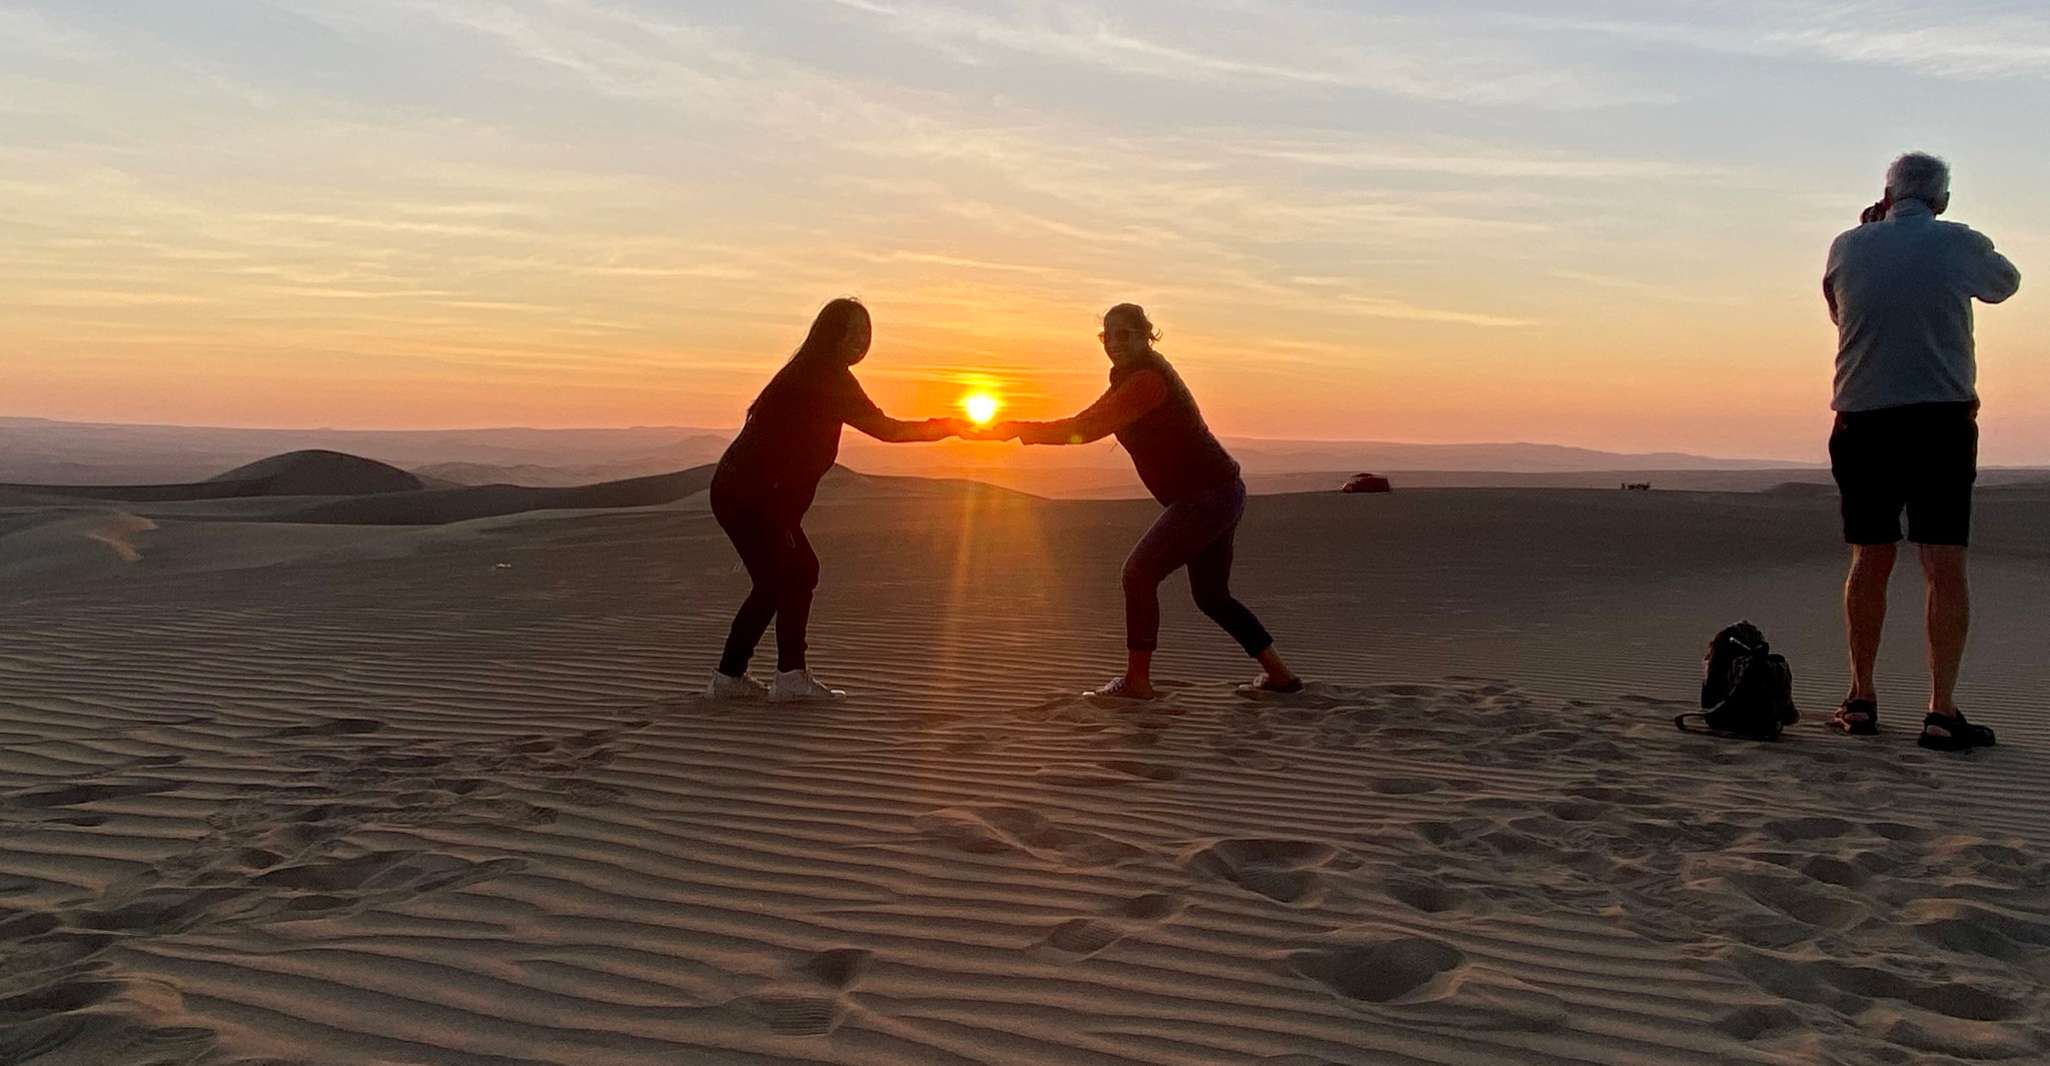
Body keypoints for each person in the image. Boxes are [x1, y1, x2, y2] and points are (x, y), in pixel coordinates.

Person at [980, 303, 1302, 700]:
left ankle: (1137, 682)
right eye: (1108, 336)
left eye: (1125, 334)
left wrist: (1018, 430)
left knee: (1139, 574)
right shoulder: (1132, 377)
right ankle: (1280, 676)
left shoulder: (1146, 381)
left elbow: (1086, 428)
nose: (1114, 343)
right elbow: (1090, 417)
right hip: (1220, 492)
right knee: (1212, 596)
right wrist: (1022, 430)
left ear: (1146, 335)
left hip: (1205, 497)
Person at [1823, 152, 2021, 750]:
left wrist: (1872, 229)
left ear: (1885, 193)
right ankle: (1940, 709)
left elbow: (1838, 312)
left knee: (1869, 558)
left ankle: (1861, 697)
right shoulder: (1958, 242)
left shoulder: (1847, 246)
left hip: (1862, 419)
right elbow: (2006, 283)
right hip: (1939, 421)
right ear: (1943, 198)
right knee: (1944, 565)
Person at [708, 298, 968, 702]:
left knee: (781, 579)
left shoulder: (812, 371)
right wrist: (947, 427)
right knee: (794, 573)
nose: (861, 340)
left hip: (743, 491)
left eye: (866, 332)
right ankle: (788, 677)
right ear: (830, 334)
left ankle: (731, 677)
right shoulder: (826, 377)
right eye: (852, 331)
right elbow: (887, 430)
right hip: (756, 496)